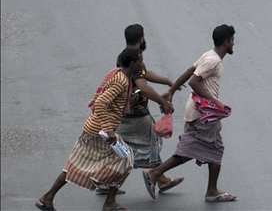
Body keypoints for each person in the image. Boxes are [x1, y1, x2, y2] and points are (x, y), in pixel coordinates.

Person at [35, 48, 142, 211]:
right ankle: (109, 202)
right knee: (126, 159)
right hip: (101, 132)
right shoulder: (121, 80)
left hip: (92, 129)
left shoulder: (120, 75)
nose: (142, 64)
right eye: (140, 61)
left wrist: (128, 101)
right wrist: (109, 130)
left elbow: (112, 103)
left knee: (73, 165)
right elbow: (100, 103)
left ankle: (47, 198)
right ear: (133, 63)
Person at [143, 25, 238, 203]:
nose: (233, 43)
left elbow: (189, 71)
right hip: (204, 113)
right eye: (232, 40)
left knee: (192, 148)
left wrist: (171, 91)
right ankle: (210, 190)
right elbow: (194, 81)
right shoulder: (214, 61)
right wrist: (215, 101)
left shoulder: (209, 55)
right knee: (215, 148)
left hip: (196, 110)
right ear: (226, 42)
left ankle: (156, 173)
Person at [96, 24, 184, 195]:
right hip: (136, 114)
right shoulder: (135, 57)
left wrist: (167, 81)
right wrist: (163, 102)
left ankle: (105, 181)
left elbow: (143, 74)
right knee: (147, 146)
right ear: (141, 38)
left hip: (124, 111)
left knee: (124, 148)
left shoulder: (125, 56)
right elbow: (143, 86)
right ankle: (159, 178)